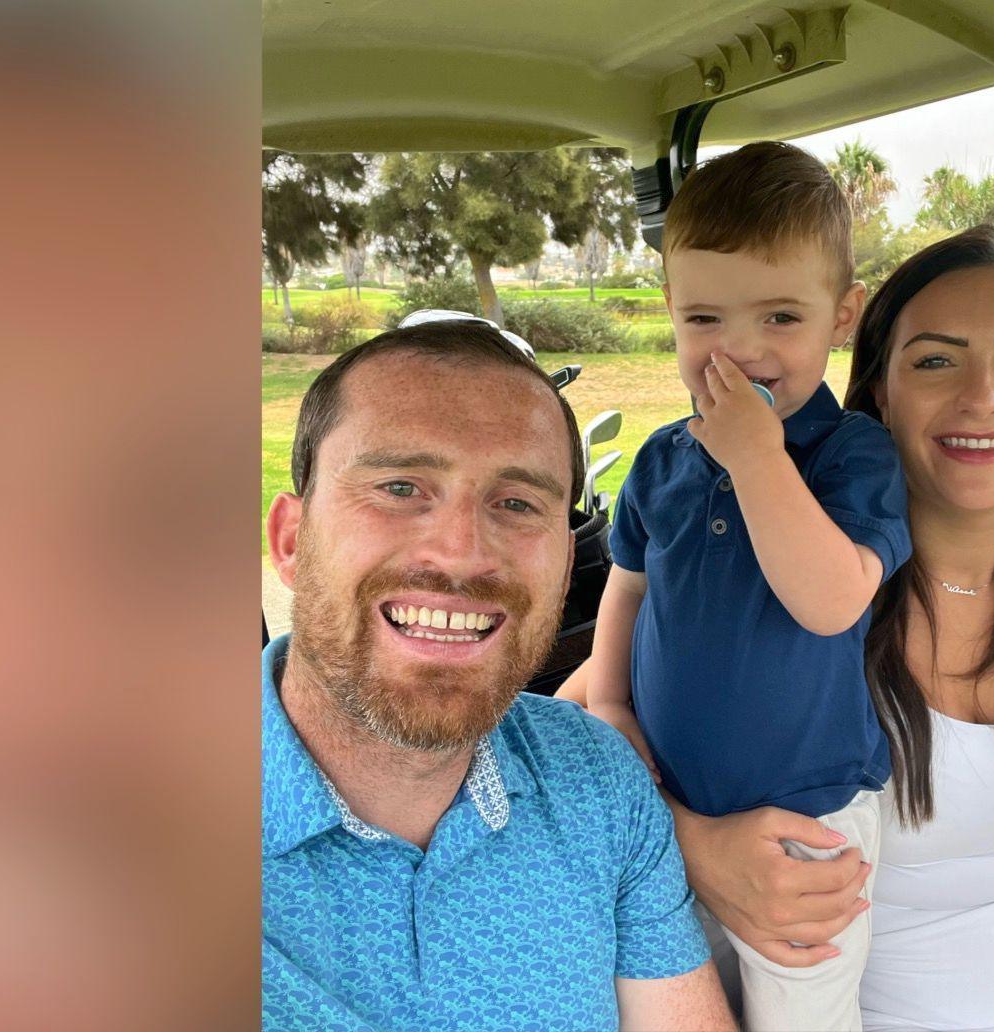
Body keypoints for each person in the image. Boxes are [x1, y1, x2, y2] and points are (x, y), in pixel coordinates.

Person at [260, 319, 734, 1031]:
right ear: (292, 541)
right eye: (400, 487)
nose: (461, 554)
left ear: (567, 566)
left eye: (516, 504)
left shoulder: (598, 781)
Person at [670, 226, 994, 1030]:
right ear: (880, 388)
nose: (984, 395)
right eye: (935, 359)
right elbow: (592, 723)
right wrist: (693, 847)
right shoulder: (777, 577)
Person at [573, 141, 912, 1032]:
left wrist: (760, 458)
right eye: (706, 321)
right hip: (669, 803)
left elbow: (832, 598)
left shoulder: (853, 455)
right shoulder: (661, 459)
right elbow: (631, 589)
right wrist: (608, 694)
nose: (742, 351)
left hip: (810, 813)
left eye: (781, 319)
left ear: (843, 317)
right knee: (677, 1006)